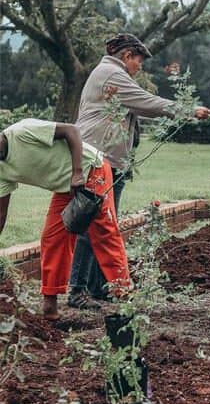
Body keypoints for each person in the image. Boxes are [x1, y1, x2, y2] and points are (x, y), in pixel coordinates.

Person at [67, 33, 210, 310]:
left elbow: (139, 107)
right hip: (98, 160)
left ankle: (99, 287)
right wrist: (187, 110)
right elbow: (146, 101)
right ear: (127, 56)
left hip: (106, 160)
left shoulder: (109, 72)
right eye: (139, 61)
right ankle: (77, 291)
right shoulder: (113, 74)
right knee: (93, 223)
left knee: (105, 225)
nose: (140, 67)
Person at [0, 119, 131, 321]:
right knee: (52, 238)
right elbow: (1, 213)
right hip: (65, 187)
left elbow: (72, 130)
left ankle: (126, 298)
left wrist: (77, 173)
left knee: (104, 235)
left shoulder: (22, 131)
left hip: (90, 170)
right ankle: (50, 306)